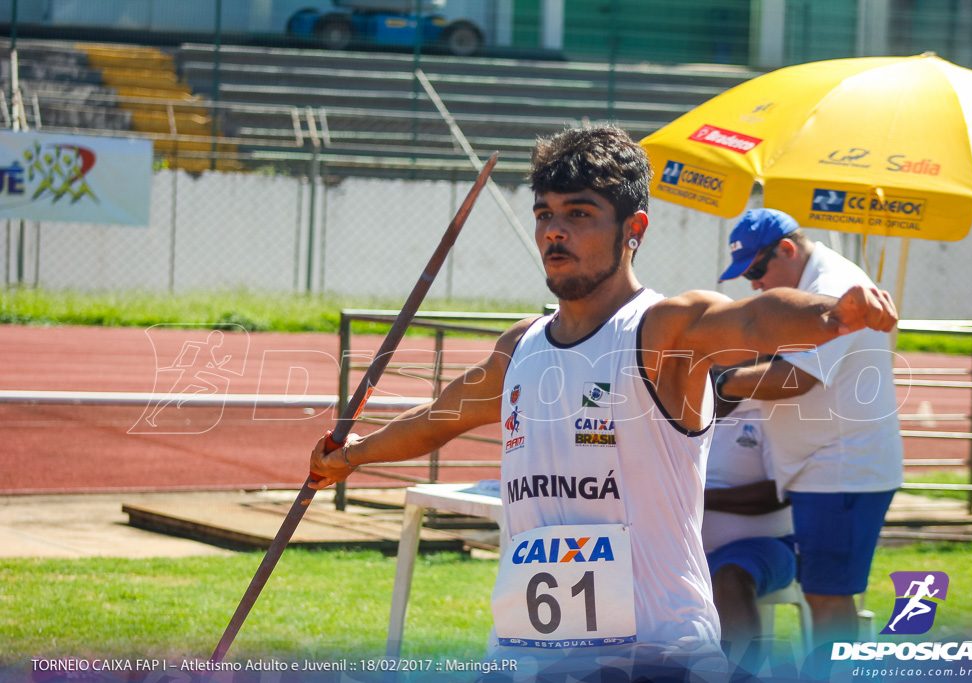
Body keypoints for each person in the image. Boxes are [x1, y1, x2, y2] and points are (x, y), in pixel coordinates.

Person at [309, 127, 898, 679]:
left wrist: (829, 315)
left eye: (579, 214)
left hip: (655, 652)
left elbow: (750, 318)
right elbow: (440, 417)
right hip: (531, 653)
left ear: (633, 228)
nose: (554, 231)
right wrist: (353, 455)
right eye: (545, 214)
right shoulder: (521, 347)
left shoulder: (662, 331)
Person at [714, 208, 904, 647]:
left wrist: (723, 381)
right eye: (746, 276)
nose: (755, 284)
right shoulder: (819, 284)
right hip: (829, 467)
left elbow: (795, 378)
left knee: (827, 599)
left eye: (757, 270)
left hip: (838, 468)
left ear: (787, 249)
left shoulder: (832, 288)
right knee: (827, 597)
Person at [703, 396, 795, 668]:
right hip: (679, 547)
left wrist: (697, 499)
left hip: (767, 545)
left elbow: (782, 491)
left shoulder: (771, 410)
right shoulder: (670, 405)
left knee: (731, 577)